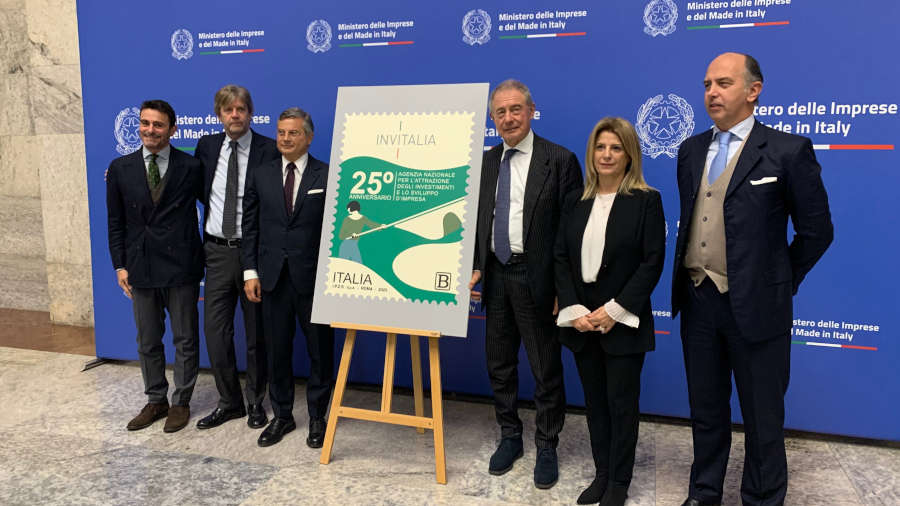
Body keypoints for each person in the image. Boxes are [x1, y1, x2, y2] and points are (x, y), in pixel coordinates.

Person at [672, 53, 833, 506]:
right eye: (707, 84)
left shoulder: (787, 150)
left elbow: (817, 231)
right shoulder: (690, 151)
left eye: (723, 83)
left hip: (759, 307)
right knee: (705, 410)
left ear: (753, 90)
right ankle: (704, 493)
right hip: (698, 300)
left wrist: (778, 279)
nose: (711, 93)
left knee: (763, 417)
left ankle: (761, 499)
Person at [469, 79, 584, 489]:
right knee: (499, 364)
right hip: (495, 276)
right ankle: (510, 435)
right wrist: (476, 266)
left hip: (537, 278)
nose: (508, 118)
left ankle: (547, 444)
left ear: (532, 111)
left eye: (515, 109)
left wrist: (563, 290)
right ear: (492, 118)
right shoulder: (484, 162)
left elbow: (572, 232)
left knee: (544, 367)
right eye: (500, 112)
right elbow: (477, 221)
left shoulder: (560, 160)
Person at [555, 117, 665, 505]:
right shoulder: (575, 200)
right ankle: (602, 474)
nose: (606, 155)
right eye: (600, 147)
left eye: (616, 148)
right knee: (595, 405)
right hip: (582, 323)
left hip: (623, 322)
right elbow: (560, 257)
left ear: (629, 155)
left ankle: (619, 482)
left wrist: (614, 311)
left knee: (622, 406)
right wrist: (573, 309)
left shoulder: (646, 200)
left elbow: (652, 262)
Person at [106, 99, 204, 433]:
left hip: (181, 266)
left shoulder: (191, 167)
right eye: (145, 123)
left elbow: (215, 205)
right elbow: (115, 222)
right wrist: (120, 265)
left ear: (172, 129)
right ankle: (156, 400)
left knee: (185, 339)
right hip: (141, 266)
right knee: (147, 339)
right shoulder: (119, 168)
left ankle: (181, 402)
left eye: (158, 125)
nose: (150, 130)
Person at [241, 107, 334, 448]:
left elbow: (337, 230)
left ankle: (319, 417)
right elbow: (249, 227)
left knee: (320, 351)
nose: (285, 138)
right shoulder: (260, 174)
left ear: (309, 137)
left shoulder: (328, 175)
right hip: (272, 278)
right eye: (281, 132)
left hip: (314, 280)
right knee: (277, 350)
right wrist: (250, 271)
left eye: (293, 132)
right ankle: (282, 416)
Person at [194, 85, 279, 431]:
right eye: (228, 110)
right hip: (216, 252)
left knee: (257, 334)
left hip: (254, 254)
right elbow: (185, 182)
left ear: (250, 113)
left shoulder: (269, 150)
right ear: (219, 115)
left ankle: (256, 401)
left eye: (241, 109)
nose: (235, 115)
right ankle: (229, 402)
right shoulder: (206, 146)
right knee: (215, 332)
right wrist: (126, 175)